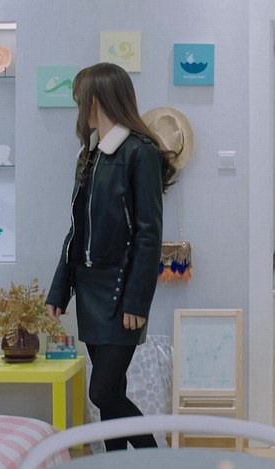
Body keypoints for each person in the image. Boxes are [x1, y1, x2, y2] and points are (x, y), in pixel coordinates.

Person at [45, 62, 177, 451]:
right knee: (111, 393)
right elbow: (76, 231)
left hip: (121, 293)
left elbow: (149, 234)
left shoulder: (140, 152)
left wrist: (137, 300)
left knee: (102, 392)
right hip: (89, 292)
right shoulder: (89, 155)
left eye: (80, 98)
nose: (78, 106)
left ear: (97, 99)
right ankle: (119, 461)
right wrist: (60, 290)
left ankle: (156, 460)